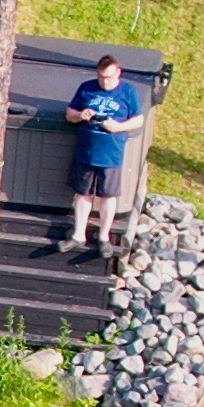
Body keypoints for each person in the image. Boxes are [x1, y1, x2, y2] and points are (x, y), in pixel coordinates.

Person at [62, 52, 144, 255]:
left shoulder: (128, 92)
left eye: (108, 77)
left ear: (118, 73)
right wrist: (81, 115)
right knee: (82, 193)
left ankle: (103, 237)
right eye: (101, 77)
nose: (104, 81)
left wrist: (117, 127)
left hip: (111, 153)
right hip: (86, 150)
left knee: (108, 195)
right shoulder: (87, 88)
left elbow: (139, 120)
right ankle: (78, 235)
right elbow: (69, 114)